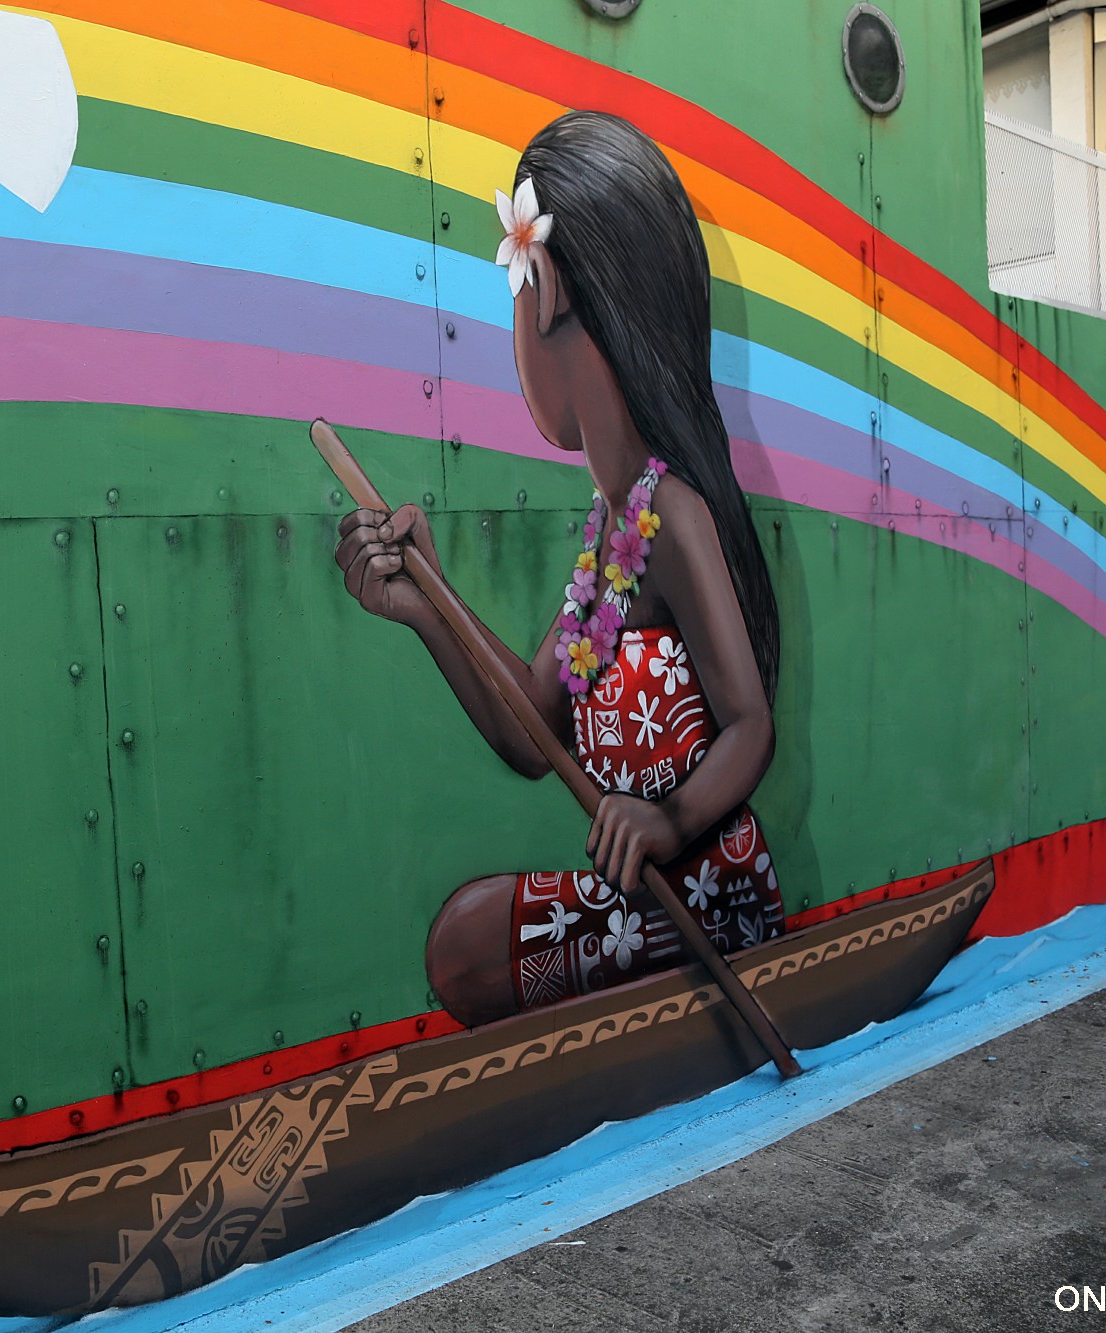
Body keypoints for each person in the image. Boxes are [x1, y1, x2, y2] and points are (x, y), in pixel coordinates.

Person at [333, 110, 785, 1028]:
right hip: (643, 901)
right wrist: (428, 603)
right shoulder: (611, 529)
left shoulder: (671, 514)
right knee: (462, 943)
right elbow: (534, 728)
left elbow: (749, 727)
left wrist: (669, 819)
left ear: (548, 293)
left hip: (699, 898)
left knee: (466, 944)